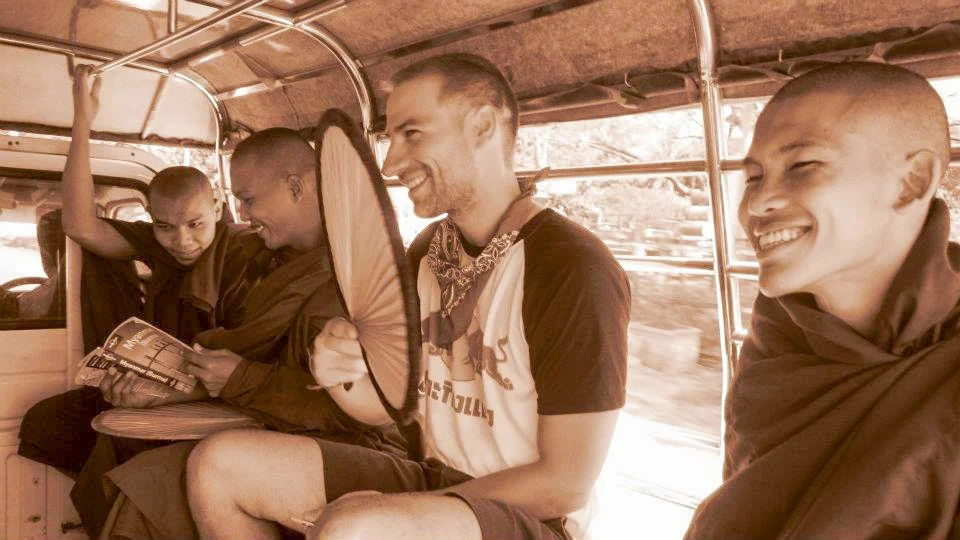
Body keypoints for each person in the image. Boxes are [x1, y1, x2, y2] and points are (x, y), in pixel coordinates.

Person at [184, 53, 631, 540]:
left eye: (412, 134)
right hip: (430, 476)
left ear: (482, 126)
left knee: (356, 529)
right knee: (217, 466)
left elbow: (564, 484)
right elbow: (389, 409)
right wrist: (342, 375)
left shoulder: (570, 267)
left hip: (529, 517)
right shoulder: (428, 251)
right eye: (391, 138)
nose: (391, 163)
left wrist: (400, 508)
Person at [90, 125, 407, 539]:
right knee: (126, 457)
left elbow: (353, 411)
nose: (242, 215)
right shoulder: (268, 259)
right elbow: (251, 363)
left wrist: (240, 379)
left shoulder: (360, 273)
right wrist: (166, 393)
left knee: (151, 487)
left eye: (249, 199)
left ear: (295, 187)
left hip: (356, 444)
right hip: (270, 422)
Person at [684, 61, 960, 538]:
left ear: (911, 182)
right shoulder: (777, 340)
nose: (758, 203)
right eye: (754, 177)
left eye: (802, 166)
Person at [17, 64, 267, 479]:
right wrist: (83, 122)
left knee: (121, 450)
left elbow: (247, 368)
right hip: (160, 385)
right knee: (49, 423)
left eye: (195, 224)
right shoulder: (158, 245)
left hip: (217, 399)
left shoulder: (244, 256)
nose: (182, 241)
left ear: (218, 208)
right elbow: (79, 227)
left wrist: (160, 398)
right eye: (164, 226)